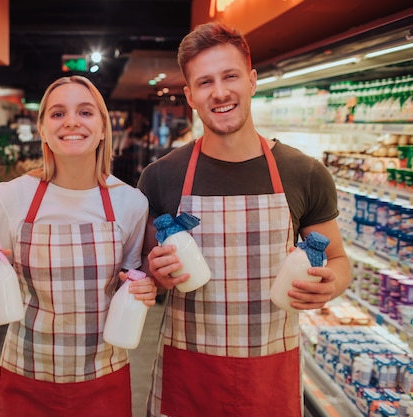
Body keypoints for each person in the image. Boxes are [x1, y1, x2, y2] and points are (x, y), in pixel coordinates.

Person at [138, 22, 351, 417]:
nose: (219, 92)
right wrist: (156, 276)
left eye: (230, 76)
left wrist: (329, 284)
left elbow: (338, 260)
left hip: (270, 375)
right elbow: (144, 273)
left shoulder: (304, 173)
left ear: (252, 81)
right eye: (204, 82)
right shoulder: (160, 177)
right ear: (189, 96)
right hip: (190, 378)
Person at [0, 75, 157, 417]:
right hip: (26, 373)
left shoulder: (131, 202)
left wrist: (143, 287)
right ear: (42, 129)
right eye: (57, 114)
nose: (71, 121)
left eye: (85, 112)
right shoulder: (11, 196)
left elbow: (131, 282)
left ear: (102, 128)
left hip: (103, 375)